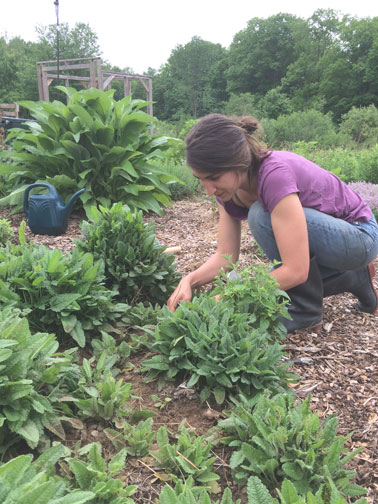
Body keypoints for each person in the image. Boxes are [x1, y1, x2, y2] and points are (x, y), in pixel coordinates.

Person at [167, 114, 378, 332]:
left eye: (213, 177)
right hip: (334, 241)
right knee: (272, 279)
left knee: (261, 218)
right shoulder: (227, 190)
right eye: (200, 179)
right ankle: (354, 277)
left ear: (237, 163)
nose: (208, 190)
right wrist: (189, 280)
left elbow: (296, 271)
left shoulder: (273, 176)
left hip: (360, 235)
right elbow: (226, 256)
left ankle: (305, 311)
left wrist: (231, 296)